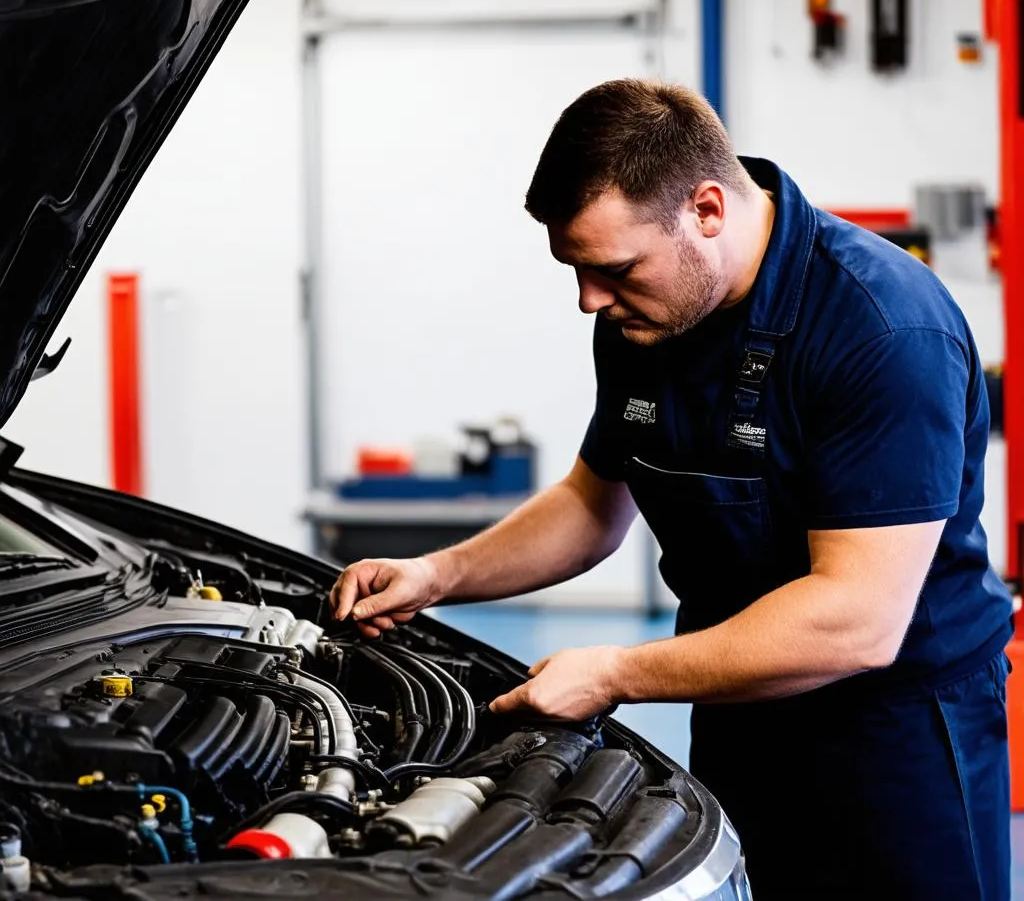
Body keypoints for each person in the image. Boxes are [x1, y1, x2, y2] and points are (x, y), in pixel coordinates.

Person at [330, 78, 1014, 900]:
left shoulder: (883, 327)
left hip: (896, 734)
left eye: (613, 269)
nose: (590, 300)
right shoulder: (645, 318)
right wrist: (437, 575)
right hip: (734, 696)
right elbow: (592, 504)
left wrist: (617, 671)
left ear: (708, 211)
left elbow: (857, 621)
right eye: (577, 271)